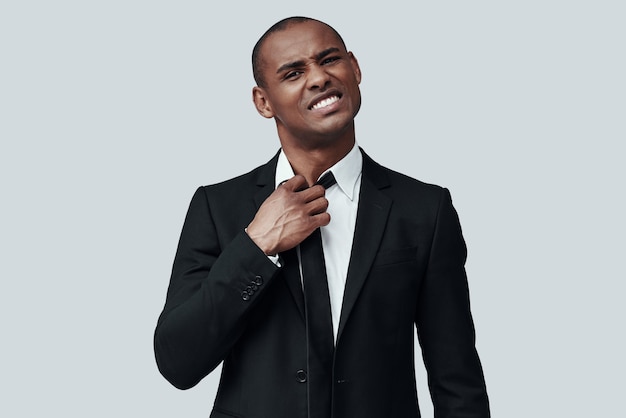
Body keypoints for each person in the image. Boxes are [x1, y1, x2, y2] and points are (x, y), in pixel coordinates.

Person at [154, 16, 490, 418]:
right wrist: (256, 246)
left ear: (355, 68)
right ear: (264, 102)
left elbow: (458, 382)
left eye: (329, 60)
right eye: (294, 72)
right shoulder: (217, 207)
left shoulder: (424, 209)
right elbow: (178, 362)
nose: (318, 78)